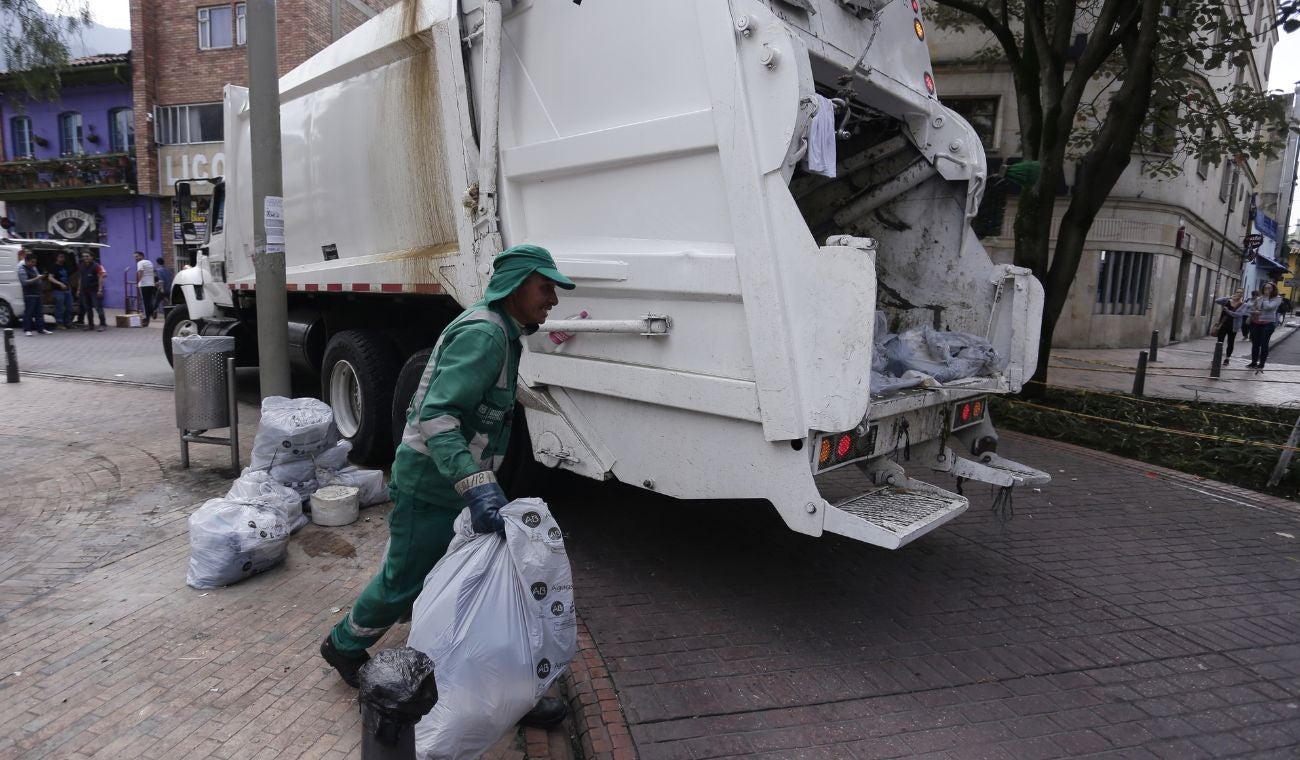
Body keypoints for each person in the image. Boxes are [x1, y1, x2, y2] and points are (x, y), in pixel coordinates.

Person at [320, 244, 575, 729]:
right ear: (518, 286)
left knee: (467, 588)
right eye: (546, 288)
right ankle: (344, 644)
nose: (553, 301)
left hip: (451, 485)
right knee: (405, 580)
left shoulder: (503, 331)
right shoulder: (484, 334)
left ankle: (497, 689)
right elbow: (437, 416)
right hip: (432, 485)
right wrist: (477, 485)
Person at [1246, 281, 1284, 370]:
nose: (1267, 289)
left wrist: (1266, 297)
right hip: (1255, 323)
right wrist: (1254, 311)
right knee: (1255, 344)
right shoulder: (1260, 298)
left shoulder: (1277, 299)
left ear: (1273, 289)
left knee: (1264, 343)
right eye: (1265, 288)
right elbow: (1252, 308)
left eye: (1269, 288)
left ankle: (1261, 363)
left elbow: (1268, 307)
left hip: (1268, 324)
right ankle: (1253, 362)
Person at [1212, 289, 1250, 366]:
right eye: (1237, 292)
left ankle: (1227, 358)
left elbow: (1239, 315)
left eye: (1241, 293)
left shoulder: (1244, 304)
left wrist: (1228, 311)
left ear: (1242, 295)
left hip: (1233, 326)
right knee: (1219, 341)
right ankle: (1216, 357)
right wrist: (1229, 297)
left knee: (1230, 342)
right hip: (1223, 324)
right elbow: (1217, 301)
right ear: (1234, 293)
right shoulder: (1227, 301)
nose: (1239, 294)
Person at [18, 251, 51, 336]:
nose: (34, 264)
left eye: (35, 262)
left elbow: (38, 279)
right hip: (29, 294)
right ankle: (27, 330)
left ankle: (41, 329)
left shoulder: (34, 268)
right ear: (26, 260)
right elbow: (25, 282)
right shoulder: (22, 269)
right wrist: (37, 278)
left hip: (37, 293)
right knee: (28, 313)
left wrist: (41, 278)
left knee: (39, 313)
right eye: (32, 262)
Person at [78, 251, 108, 332]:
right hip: (85, 291)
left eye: (87, 256)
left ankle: (103, 324)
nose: (85, 258)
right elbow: (81, 278)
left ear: (92, 257)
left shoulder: (96, 266)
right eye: (84, 256)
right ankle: (90, 325)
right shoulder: (81, 266)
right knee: (87, 308)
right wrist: (78, 289)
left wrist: (100, 290)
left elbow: (100, 278)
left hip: (94, 291)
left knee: (98, 308)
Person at [49, 252, 74, 329]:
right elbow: (50, 277)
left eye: (63, 257)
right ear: (57, 258)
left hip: (67, 289)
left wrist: (70, 286)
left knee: (69, 307)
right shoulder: (53, 266)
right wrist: (59, 284)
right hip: (57, 290)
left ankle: (68, 322)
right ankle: (59, 323)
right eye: (60, 256)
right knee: (60, 307)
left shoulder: (65, 266)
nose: (62, 258)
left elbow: (68, 277)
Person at [134, 251, 156, 327]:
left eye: (137, 256)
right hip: (151, 284)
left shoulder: (140, 263)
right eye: (135, 257)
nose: (135, 258)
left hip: (144, 285)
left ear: (141, 256)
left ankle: (146, 320)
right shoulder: (149, 262)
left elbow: (141, 272)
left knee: (145, 303)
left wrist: (138, 282)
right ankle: (153, 311)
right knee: (149, 301)